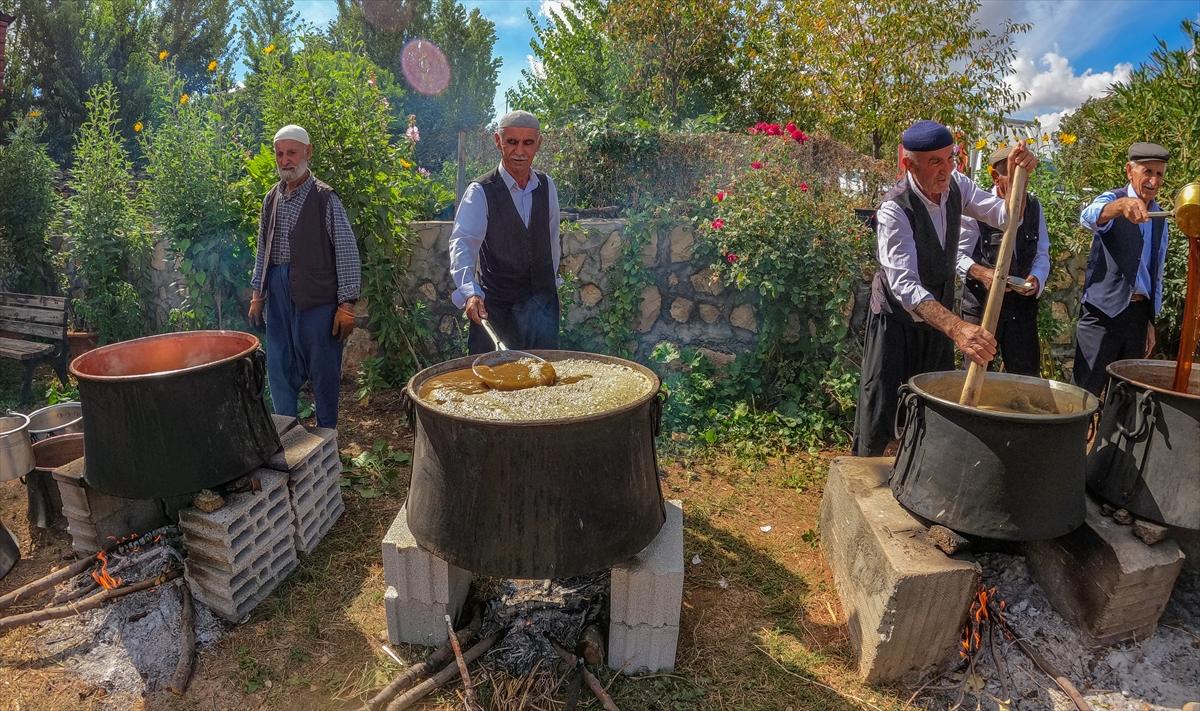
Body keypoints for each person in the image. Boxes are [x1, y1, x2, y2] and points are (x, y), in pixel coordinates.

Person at [852, 120, 1038, 457]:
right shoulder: (895, 209)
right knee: (881, 406)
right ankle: (865, 483)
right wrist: (958, 326)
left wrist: (1015, 178)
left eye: (950, 158)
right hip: (896, 321)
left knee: (929, 404)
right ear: (909, 164)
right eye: (935, 162)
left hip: (937, 323)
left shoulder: (957, 186)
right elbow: (905, 286)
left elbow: (1004, 217)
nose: (946, 169)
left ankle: (915, 474)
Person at [248, 124, 361, 429]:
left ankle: (326, 436)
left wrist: (346, 304)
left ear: (307, 152)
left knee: (323, 369)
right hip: (278, 294)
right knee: (279, 366)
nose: (285, 160)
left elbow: (347, 251)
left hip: (317, 296)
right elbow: (263, 248)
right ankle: (289, 434)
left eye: (292, 153)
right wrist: (257, 294)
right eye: (280, 154)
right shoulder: (271, 198)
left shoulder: (325, 198)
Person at [448, 110, 561, 354]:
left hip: (542, 311)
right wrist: (470, 292)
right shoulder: (480, 191)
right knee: (493, 387)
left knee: (544, 383)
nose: (520, 151)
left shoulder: (547, 186)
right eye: (512, 142)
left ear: (538, 144)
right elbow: (463, 244)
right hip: (498, 312)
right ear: (498, 141)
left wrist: (549, 285)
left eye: (528, 143)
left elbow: (551, 242)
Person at [1072, 142, 1170, 397]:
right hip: (1102, 314)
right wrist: (1119, 207)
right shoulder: (1113, 199)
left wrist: (1150, 319)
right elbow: (1088, 216)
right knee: (1084, 393)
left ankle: (1113, 439)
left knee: (1126, 398)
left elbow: (1155, 273)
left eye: (1159, 174)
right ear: (1129, 171)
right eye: (1147, 171)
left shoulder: (1159, 217)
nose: (1153, 180)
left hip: (1137, 317)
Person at [957, 145, 1051, 377]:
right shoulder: (976, 205)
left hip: (1021, 308)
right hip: (982, 304)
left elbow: (1042, 252)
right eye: (1012, 173)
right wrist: (983, 274)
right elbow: (958, 256)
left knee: (1024, 377)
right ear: (995, 176)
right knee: (976, 373)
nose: (1020, 180)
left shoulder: (1034, 207)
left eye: (1024, 173)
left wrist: (1036, 279)